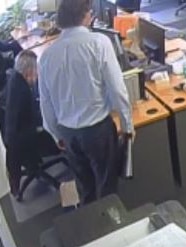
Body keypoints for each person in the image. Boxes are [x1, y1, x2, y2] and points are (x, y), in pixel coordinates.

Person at [38, 0, 133, 205]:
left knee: (86, 188)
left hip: (69, 133)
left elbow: (45, 104)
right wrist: (127, 125)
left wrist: (56, 134)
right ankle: (112, 231)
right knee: (107, 187)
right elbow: (118, 90)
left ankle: (93, 231)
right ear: (86, 16)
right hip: (97, 130)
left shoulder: (46, 57)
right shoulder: (99, 43)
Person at [3, 50, 60, 196]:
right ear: (29, 71)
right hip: (26, 138)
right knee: (59, 122)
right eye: (36, 72)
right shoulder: (22, 91)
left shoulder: (14, 78)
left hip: (15, 137)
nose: (37, 76)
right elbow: (38, 117)